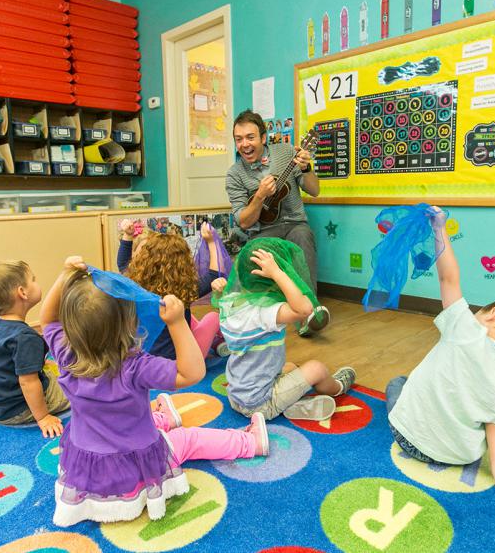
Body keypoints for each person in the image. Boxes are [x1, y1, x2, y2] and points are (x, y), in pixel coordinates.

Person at [40, 256, 268, 525]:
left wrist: (65, 274)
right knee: (187, 439)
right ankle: (250, 443)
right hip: (133, 467)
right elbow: (192, 372)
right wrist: (177, 324)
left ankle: (163, 418)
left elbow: (46, 318)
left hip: (89, 463)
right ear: (128, 323)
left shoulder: (64, 353)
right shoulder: (135, 366)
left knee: (122, 416)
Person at [386, 208, 495, 502]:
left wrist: (439, 229)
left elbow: (448, 278)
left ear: (494, 314)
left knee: (398, 383)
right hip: (460, 455)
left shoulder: (465, 330)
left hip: (411, 441)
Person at [216, 237, 355, 421]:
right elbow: (304, 309)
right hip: (260, 403)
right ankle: (336, 387)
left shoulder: (229, 301)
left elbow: (222, 298)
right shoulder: (265, 312)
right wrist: (278, 273)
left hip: (236, 395)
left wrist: (220, 289)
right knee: (317, 369)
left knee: (289, 367)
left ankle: (289, 403)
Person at [225, 108, 330, 337]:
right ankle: (252, 315)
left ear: (263, 137)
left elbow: (314, 190)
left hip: (294, 223)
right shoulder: (235, 174)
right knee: (252, 253)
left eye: (250, 137)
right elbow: (243, 221)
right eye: (239, 139)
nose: (244, 144)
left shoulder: (285, 153)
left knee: (303, 236)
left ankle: (308, 313)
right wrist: (260, 196)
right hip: (263, 231)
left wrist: (306, 168)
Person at [0, 260, 69, 438]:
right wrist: (43, 417)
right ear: (22, 292)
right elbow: (28, 382)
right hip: (17, 409)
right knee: (78, 388)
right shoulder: (24, 337)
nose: (37, 283)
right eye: (33, 280)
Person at [117, 220, 228, 358]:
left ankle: (214, 341)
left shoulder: (134, 285)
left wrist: (127, 236)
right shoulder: (184, 291)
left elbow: (122, 263)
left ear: (143, 261)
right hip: (178, 363)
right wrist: (212, 242)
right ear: (184, 263)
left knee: (188, 317)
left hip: (141, 360)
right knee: (213, 317)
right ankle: (217, 341)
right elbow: (215, 274)